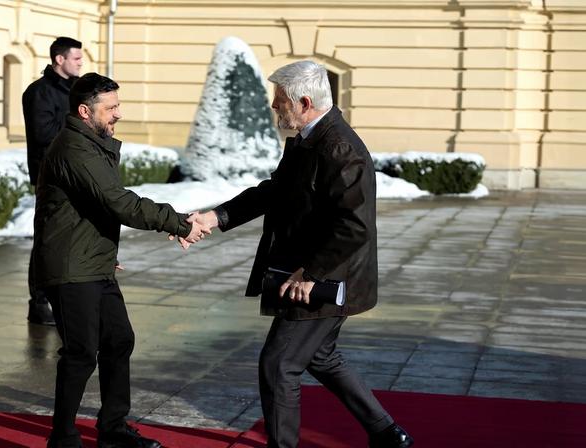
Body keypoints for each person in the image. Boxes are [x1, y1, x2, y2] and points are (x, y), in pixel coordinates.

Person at [187, 61, 413, 448]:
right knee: (320, 357)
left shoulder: (339, 148)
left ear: (304, 102)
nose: (275, 107)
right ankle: (387, 433)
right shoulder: (309, 138)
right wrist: (217, 216)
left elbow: (354, 226)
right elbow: (275, 190)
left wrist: (312, 272)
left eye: (279, 101)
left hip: (321, 278)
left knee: (279, 365)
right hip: (314, 272)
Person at [35, 72, 210, 448]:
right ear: (85, 111)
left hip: (90, 262)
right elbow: (117, 201)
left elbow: (91, 207)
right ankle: (62, 438)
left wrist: (104, 250)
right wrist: (179, 223)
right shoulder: (74, 148)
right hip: (70, 268)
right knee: (81, 353)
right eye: (111, 107)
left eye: (118, 105)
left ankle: (112, 430)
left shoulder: (93, 142)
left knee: (118, 341)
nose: (118, 113)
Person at [22, 36, 83, 325]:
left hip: (78, 174)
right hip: (51, 178)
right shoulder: (39, 92)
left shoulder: (75, 91)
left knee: (74, 238)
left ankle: (66, 297)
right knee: (47, 240)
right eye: (76, 59)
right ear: (60, 59)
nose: (80, 63)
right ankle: (39, 303)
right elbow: (42, 135)